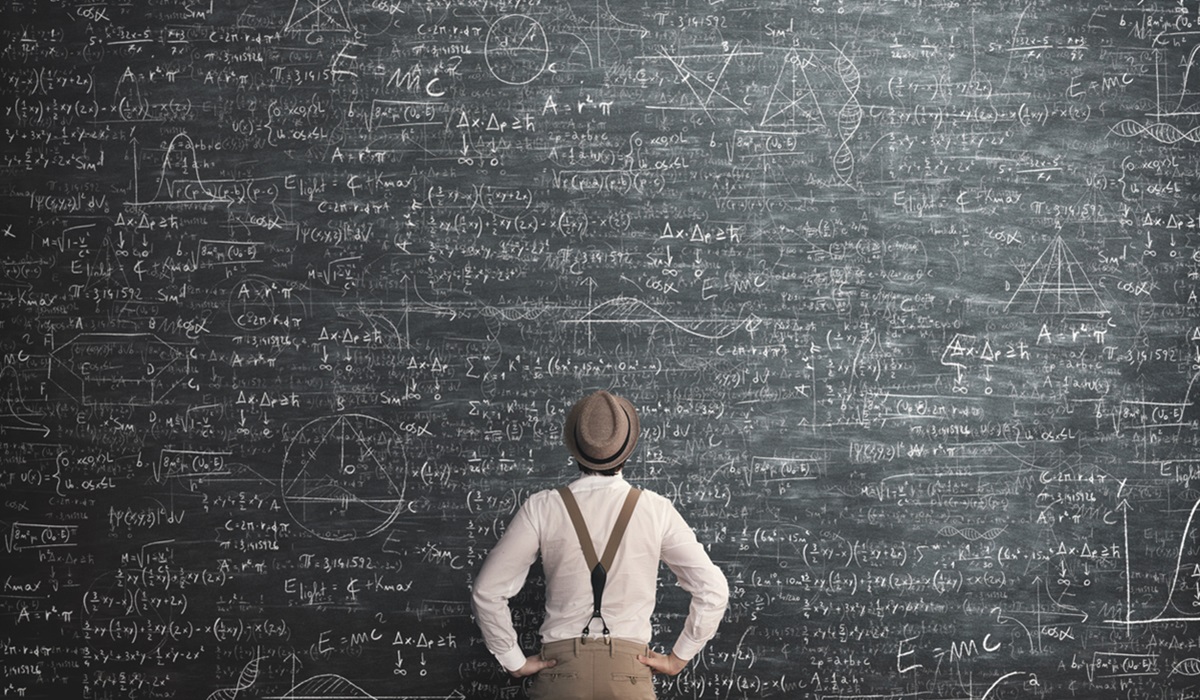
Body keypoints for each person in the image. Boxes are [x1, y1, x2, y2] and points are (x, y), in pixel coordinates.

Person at [471, 390, 729, 699]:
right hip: (629, 672)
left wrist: (512, 659)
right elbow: (713, 590)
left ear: (575, 449)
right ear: (627, 451)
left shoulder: (543, 507)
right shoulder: (655, 509)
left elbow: (487, 591)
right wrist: (678, 657)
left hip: (561, 672)